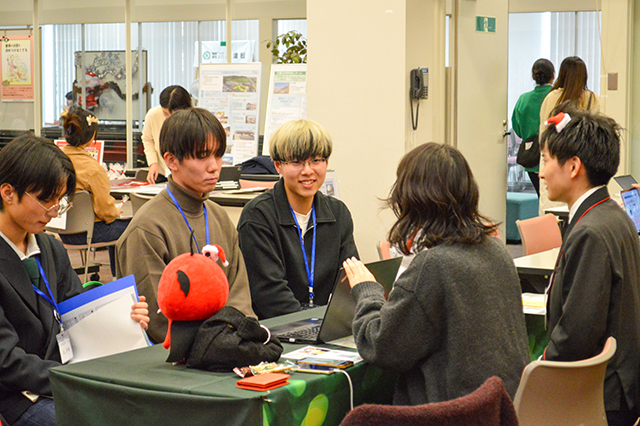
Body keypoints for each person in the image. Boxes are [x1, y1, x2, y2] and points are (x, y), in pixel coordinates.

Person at [342, 142, 529, 404]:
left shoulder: (434, 265)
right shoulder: (497, 250)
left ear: (412, 199)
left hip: (453, 414)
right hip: (499, 410)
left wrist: (367, 291)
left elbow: (381, 347)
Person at [0, 133, 149, 426]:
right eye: (45, 199)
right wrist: (71, 379)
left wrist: (121, 318)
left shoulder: (51, 247)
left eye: (60, 201)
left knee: (143, 409)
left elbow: (77, 318)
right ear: (7, 193)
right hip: (15, 396)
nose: (54, 212)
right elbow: (5, 361)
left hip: (63, 380)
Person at [116, 108, 255, 343]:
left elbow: (240, 299)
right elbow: (160, 319)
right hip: (175, 360)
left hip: (230, 345)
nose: (214, 166)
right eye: (202, 156)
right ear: (171, 161)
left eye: (218, 155)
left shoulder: (219, 217)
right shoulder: (148, 228)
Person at [539, 109, 640, 426]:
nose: (540, 173)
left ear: (573, 167)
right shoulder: (612, 213)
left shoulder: (590, 231)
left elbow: (578, 334)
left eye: (545, 160)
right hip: (621, 385)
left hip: (601, 397)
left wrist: (537, 371)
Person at [237, 119, 359, 319]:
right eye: (296, 162)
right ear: (278, 166)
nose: (307, 171)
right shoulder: (258, 217)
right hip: (275, 331)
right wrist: (313, 322)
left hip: (327, 328)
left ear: (326, 163)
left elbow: (349, 279)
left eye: (316, 160)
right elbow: (270, 296)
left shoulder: (338, 213)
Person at [58, 107, 130, 276]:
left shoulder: (56, 159)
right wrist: (115, 212)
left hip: (62, 232)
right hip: (89, 233)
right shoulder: (93, 169)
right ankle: (117, 278)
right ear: (91, 137)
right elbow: (105, 211)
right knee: (133, 227)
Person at [538, 56, 600, 214]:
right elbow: (597, 133)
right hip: (580, 160)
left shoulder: (552, 98)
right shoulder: (591, 99)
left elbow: (543, 133)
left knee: (551, 208)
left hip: (553, 157)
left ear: (561, 74)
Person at [512, 58, 555, 196]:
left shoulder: (523, 99)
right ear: (553, 75)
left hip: (531, 158)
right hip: (553, 157)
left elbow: (517, 128)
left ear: (533, 77)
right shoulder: (557, 97)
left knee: (540, 197)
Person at [141, 85, 192, 184]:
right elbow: (147, 139)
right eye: (165, 113)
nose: (169, 118)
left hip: (188, 175)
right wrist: (153, 163)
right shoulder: (153, 115)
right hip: (162, 173)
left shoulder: (194, 120)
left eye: (173, 114)